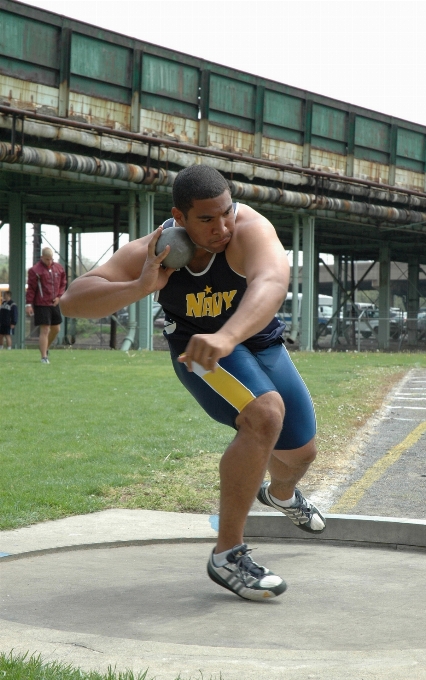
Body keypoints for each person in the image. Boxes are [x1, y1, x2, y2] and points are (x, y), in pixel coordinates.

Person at [60, 165, 326, 601]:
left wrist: (227, 335)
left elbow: (273, 281)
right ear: (179, 217)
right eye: (206, 219)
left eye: (226, 213)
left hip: (254, 340)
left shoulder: (249, 229)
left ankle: (281, 495)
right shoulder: (154, 250)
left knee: (301, 451)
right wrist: (141, 286)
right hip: (197, 353)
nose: (221, 227)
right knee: (264, 415)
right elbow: (72, 302)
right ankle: (228, 556)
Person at [26, 247, 67, 364]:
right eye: (47, 259)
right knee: (45, 329)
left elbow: (63, 283)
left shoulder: (58, 268)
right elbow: (31, 289)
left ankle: (45, 347)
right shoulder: (35, 271)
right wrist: (29, 304)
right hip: (41, 304)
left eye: (51, 259)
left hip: (54, 303)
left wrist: (59, 296)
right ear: (42, 258)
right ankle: (44, 357)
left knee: (56, 329)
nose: (49, 262)